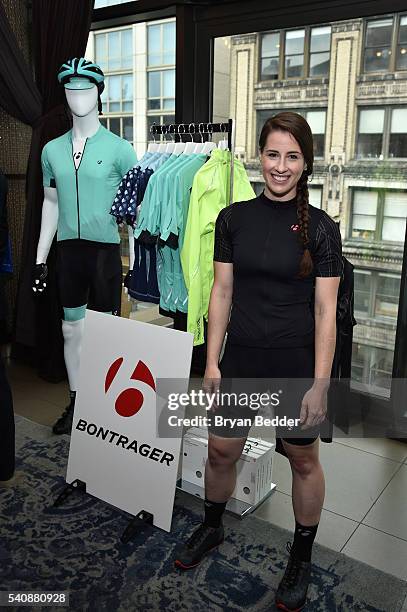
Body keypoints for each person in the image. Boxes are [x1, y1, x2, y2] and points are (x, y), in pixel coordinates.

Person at [174, 112, 343, 612]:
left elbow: (325, 311)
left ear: (305, 163)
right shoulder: (233, 219)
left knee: (303, 459)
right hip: (241, 358)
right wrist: (211, 362)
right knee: (220, 453)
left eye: (292, 156)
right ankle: (211, 527)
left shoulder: (324, 230)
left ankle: (303, 556)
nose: (281, 166)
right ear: (259, 157)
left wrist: (320, 384)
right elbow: (221, 293)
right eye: (273, 154)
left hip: (295, 363)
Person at [32, 58, 137, 435]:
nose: (77, 96)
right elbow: (51, 204)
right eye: (70, 89)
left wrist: (137, 263)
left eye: (86, 89)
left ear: (99, 94)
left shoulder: (121, 149)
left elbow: (134, 214)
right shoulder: (51, 151)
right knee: (71, 331)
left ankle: (105, 405)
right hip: (68, 254)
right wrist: (40, 258)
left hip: (105, 253)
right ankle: (77, 403)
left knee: (106, 333)